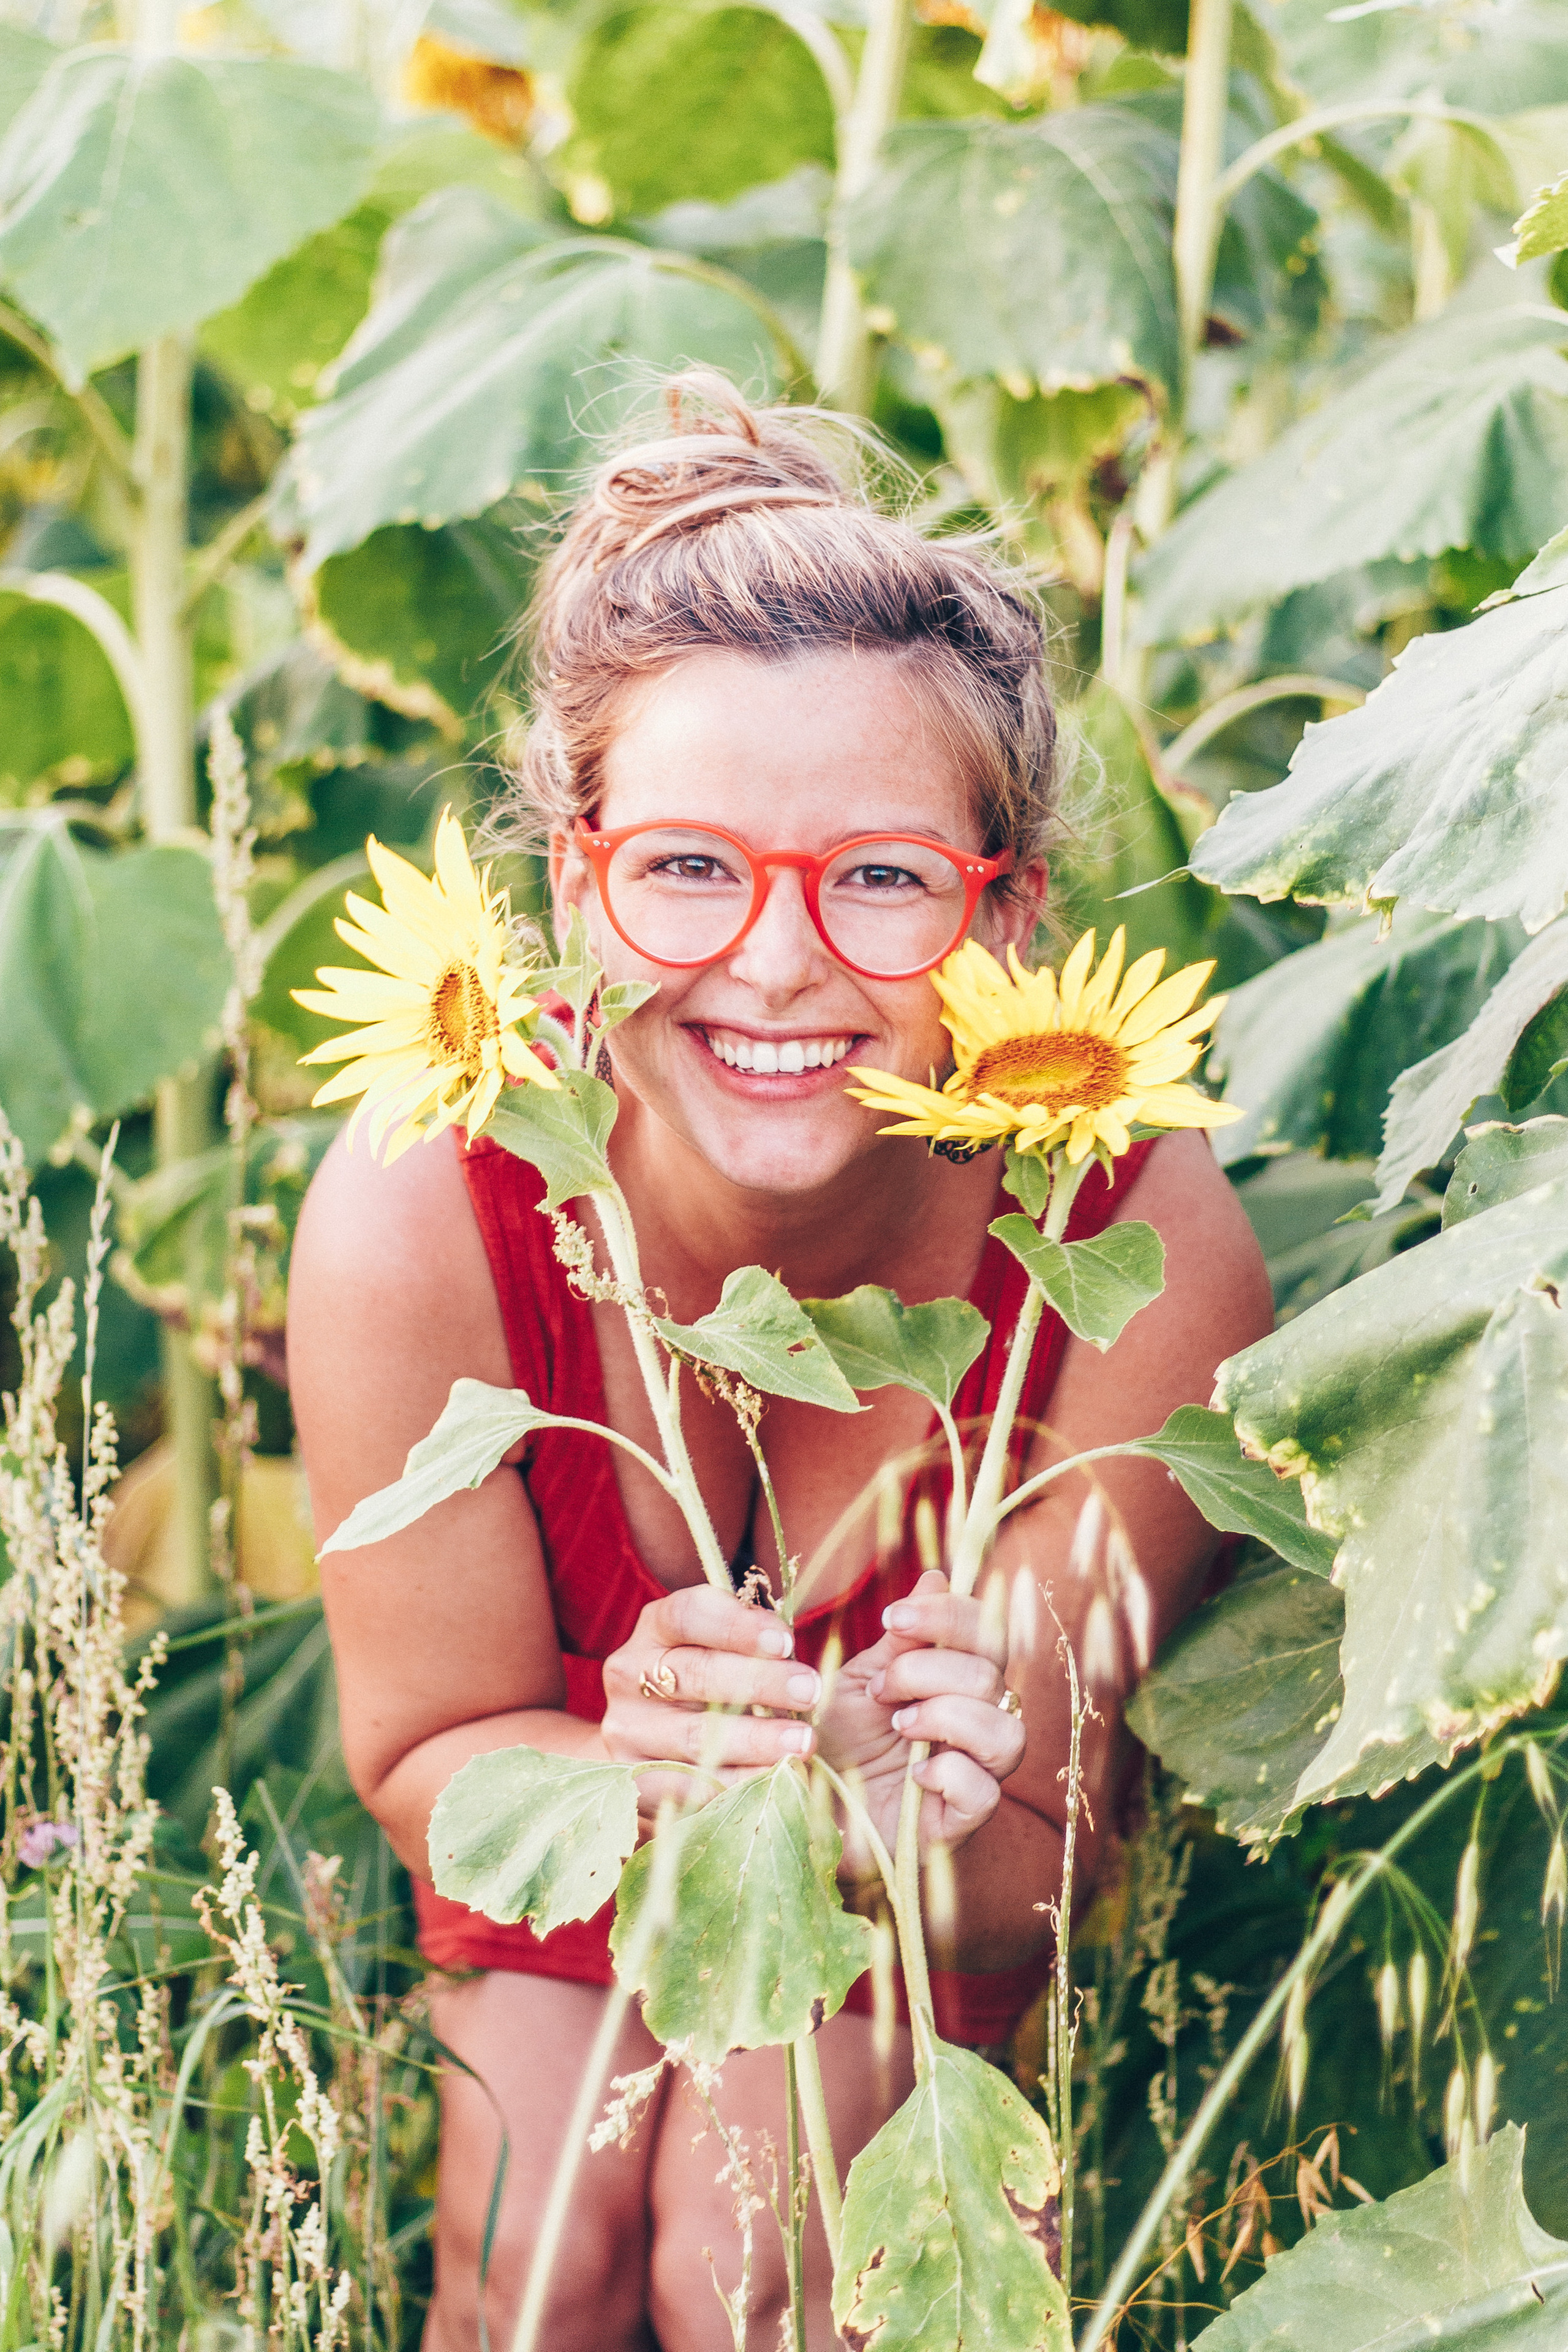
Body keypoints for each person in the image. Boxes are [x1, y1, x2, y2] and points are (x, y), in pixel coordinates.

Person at [288, 372, 1272, 2352]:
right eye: (687, 866)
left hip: (927, 1876)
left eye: (883, 878)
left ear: (1014, 909)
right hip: (565, 1806)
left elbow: (1020, 1878)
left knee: (765, 2260)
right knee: (535, 2258)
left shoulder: (1129, 1251)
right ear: (576, 881)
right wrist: (652, 1795)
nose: (774, 960)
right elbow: (428, 1755)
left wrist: (845, 1785)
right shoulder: (434, 1210)